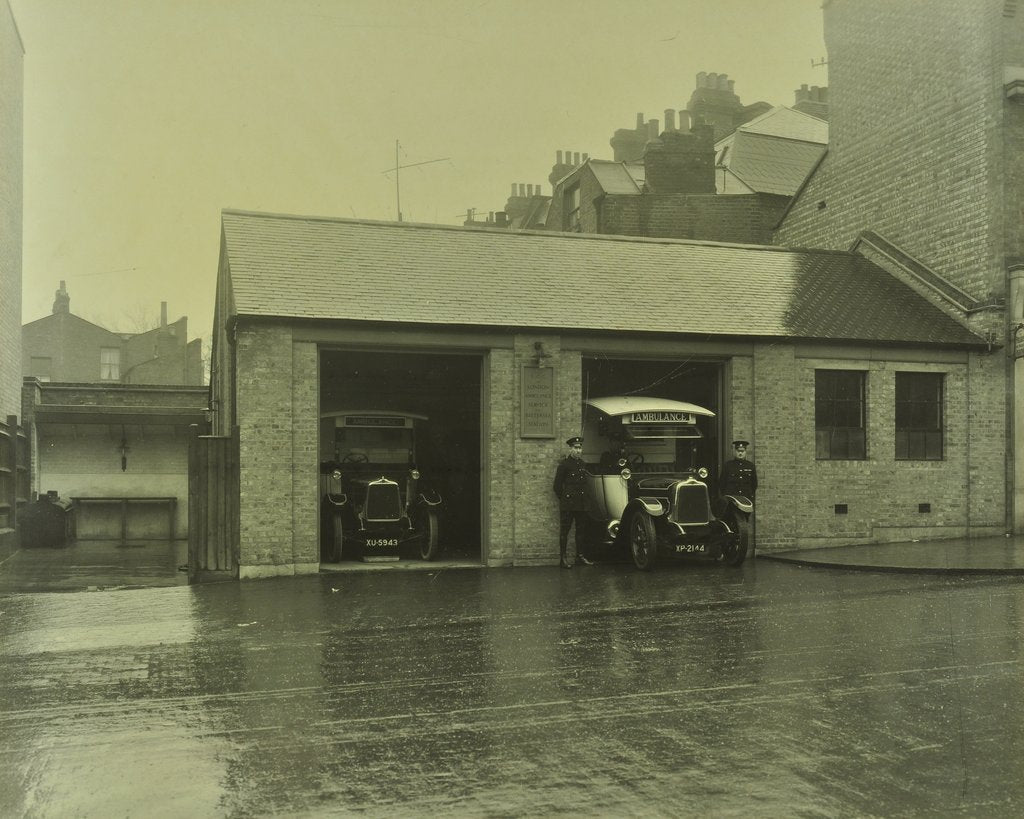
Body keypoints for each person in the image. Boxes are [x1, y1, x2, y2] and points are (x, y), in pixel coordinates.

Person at [553, 436, 593, 568]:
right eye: (576, 448)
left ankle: (579, 557)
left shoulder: (582, 464)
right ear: (570, 449)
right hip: (569, 504)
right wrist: (565, 499)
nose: (578, 451)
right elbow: (557, 486)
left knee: (581, 530)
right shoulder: (564, 465)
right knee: (565, 531)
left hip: (581, 503)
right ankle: (563, 559)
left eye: (580, 448)